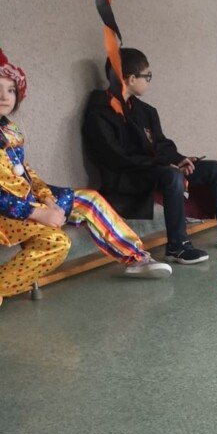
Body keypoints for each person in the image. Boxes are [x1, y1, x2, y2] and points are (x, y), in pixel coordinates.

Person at [0, 50, 170, 304]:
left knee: (88, 200)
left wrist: (47, 199)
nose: (5, 96)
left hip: (26, 200)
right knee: (57, 243)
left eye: (11, 90)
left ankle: (135, 258)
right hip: (7, 212)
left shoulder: (9, 130)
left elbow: (26, 172)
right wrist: (37, 213)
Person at [82, 48, 217, 264]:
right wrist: (163, 165)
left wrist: (179, 160)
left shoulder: (144, 110)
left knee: (214, 169)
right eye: (146, 76)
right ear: (131, 79)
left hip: (154, 169)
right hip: (126, 176)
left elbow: (161, 144)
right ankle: (177, 245)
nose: (148, 81)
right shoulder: (99, 112)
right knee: (172, 176)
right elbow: (116, 157)